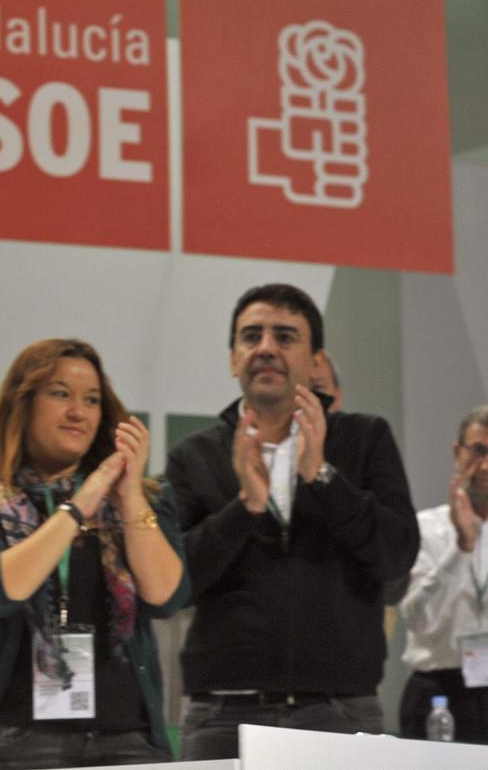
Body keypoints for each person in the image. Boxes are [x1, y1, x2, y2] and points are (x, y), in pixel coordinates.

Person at [167, 283, 418, 760]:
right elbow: (176, 584)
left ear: (315, 360)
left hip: (340, 713)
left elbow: (396, 555)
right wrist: (245, 508)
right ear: (232, 358)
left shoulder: (366, 439)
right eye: (251, 336)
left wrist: (322, 476)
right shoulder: (194, 455)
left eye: (285, 336)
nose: (265, 348)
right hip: (224, 714)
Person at [0, 338, 188, 768]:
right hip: (17, 742)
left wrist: (128, 495)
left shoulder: (141, 501)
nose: (78, 412)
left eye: (91, 400)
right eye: (60, 394)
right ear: (24, 403)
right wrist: (78, 507)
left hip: (129, 742)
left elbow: (166, 596)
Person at [399, 404, 488, 742]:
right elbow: (418, 620)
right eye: (478, 451)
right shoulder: (425, 528)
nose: (486, 465)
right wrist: (461, 549)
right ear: (457, 453)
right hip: (439, 694)